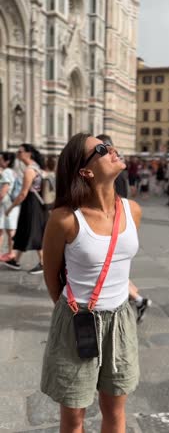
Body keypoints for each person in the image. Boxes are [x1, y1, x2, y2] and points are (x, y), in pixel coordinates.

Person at [41, 133, 141, 433]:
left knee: (115, 411)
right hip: (77, 320)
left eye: (109, 145)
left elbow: (120, 263)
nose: (112, 149)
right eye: (101, 149)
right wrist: (74, 310)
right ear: (85, 170)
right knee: (74, 419)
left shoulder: (132, 210)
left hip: (121, 321)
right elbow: (51, 275)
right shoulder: (65, 219)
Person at [97, 134, 151, 323]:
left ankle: (138, 300)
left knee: (110, 273)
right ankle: (139, 300)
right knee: (114, 272)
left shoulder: (112, 170)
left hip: (111, 227)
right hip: (116, 226)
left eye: (100, 149)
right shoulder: (120, 170)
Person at [3, 144, 48, 274]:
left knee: (32, 232)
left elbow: (23, 193)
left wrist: (10, 208)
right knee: (25, 231)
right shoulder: (37, 167)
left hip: (31, 205)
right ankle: (15, 260)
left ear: (28, 153)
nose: (17, 153)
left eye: (20, 151)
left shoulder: (30, 170)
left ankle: (43, 262)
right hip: (35, 205)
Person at [0, 152, 20, 260]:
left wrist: (0, 197)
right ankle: (11, 252)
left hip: (6, 204)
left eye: (1, 159)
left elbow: (4, 189)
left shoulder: (6, 172)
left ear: (7, 161)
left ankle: (10, 253)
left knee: (6, 230)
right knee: (10, 229)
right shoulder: (13, 171)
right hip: (12, 204)